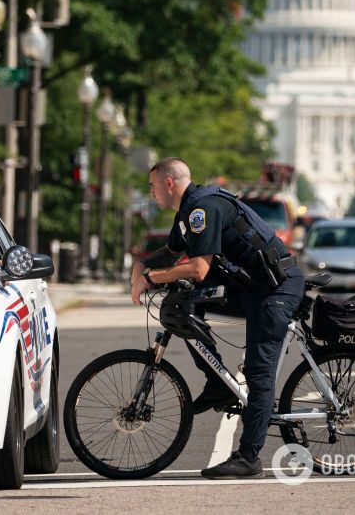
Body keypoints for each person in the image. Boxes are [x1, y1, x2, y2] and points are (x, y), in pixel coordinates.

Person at [129, 157, 304, 479]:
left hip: (276, 288)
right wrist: (140, 266)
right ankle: (217, 383)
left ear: (169, 183)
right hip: (251, 286)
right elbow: (170, 252)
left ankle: (249, 457)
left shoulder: (202, 209)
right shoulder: (187, 213)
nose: (150, 192)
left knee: (258, 370)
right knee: (180, 305)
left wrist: (151, 279)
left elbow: (199, 269)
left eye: (152, 185)